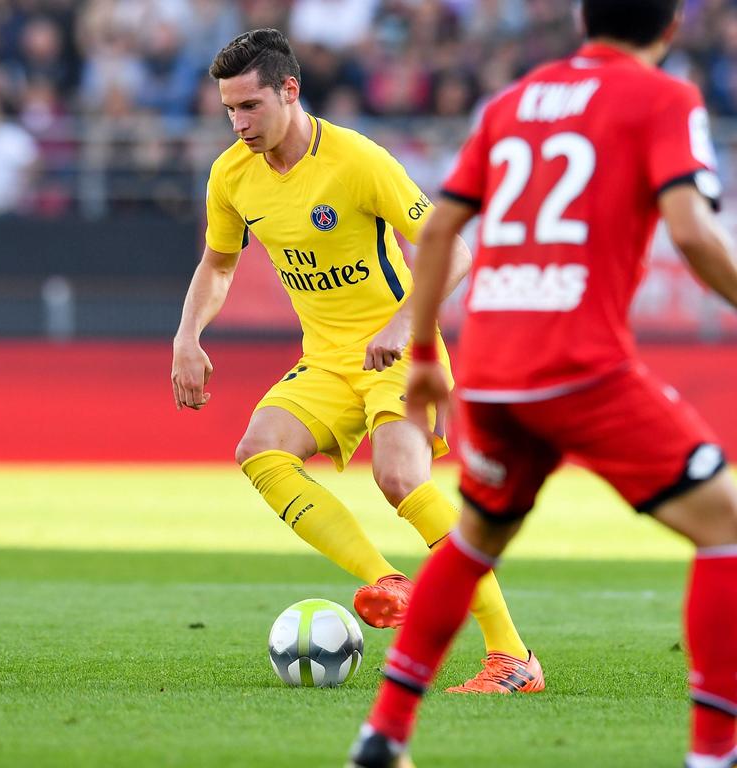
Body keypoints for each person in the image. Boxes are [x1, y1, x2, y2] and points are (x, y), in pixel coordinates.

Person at [349, 1, 737, 765]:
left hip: (493, 368)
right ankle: (713, 753)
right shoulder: (666, 97)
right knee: (725, 528)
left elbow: (437, 232)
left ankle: (385, 732)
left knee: (475, 537)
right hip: (580, 366)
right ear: (670, 30)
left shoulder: (513, 101)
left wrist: (425, 353)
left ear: (581, 19)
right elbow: (690, 230)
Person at [171, 28, 543, 693]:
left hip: (398, 348)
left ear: (290, 91)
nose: (238, 123)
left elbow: (450, 249)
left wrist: (405, 324)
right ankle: (384, 581)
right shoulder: (231, 175)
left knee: (400, 478)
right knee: (260, 451)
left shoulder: (357, 159)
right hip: (326, 359)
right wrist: (187, 335)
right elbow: (218, 265)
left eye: (250, 106)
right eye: (229, 108)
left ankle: (512, 657)